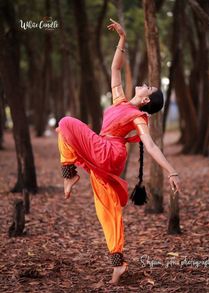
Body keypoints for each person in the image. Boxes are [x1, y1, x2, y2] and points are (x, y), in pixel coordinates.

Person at [56, 19, 181, 285]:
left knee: (66, 123)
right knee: (106, 210)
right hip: (106, 156)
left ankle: (69, 174)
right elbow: (115, 68)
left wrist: (171, 171)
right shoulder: (120, 100)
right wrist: (122, 39)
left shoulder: (138, 116)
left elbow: (150, 145)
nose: (144, 83)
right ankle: (118, 262)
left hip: (108, 152)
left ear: (146, 100)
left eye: (148, 86)